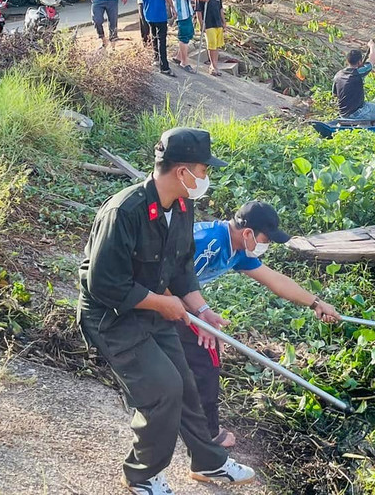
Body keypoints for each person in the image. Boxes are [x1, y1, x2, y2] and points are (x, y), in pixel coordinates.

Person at [77, 127, 255, 495]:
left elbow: (181, 267)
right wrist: (163, 303)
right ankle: (142, 475)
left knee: (186, 382)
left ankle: (209, 462)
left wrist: (201, 309)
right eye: (204, 171)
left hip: (154, 311)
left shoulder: (184, 207)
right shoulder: (125, 211)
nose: (206, 179)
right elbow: (104, 285)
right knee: (164, 390)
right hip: (113, 318)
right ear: (182, 172)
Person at [178, 201, 340, 448]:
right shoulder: (208, 242)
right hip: (157, 295)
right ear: (247, 233)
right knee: (207, 354)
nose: (268, 245)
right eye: (267, 239)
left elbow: (274, 279)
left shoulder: (238, 250)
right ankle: (207, 434)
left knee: (199, 354)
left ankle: (186, 415)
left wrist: (316, 303)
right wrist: (199, 314)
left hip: (179, 298)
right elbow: (169, 277)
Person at [134, 0, 176, 76]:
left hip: (148, 12)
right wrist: (172, 6)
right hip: (160, 13)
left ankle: (156, 59)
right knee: (161, 38)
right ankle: (164, 66)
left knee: (153, 35)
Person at [333, 39, 375, 123]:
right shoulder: (358, 72)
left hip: (343, 114)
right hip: (359, 112)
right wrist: (371, 46)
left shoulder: (338, 75)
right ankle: (374, 123)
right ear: (360, 62)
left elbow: (335, 94)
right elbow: (372, 60)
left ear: (347, 61)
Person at [201, 0, 225, 77]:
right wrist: (202, 24)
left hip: (217, 23)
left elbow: (220, 8)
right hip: (208, 23)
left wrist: (224, 22)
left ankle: (215, 65)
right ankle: (212, 65)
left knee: (217, 45)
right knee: (211, 46)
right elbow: (198, 11)